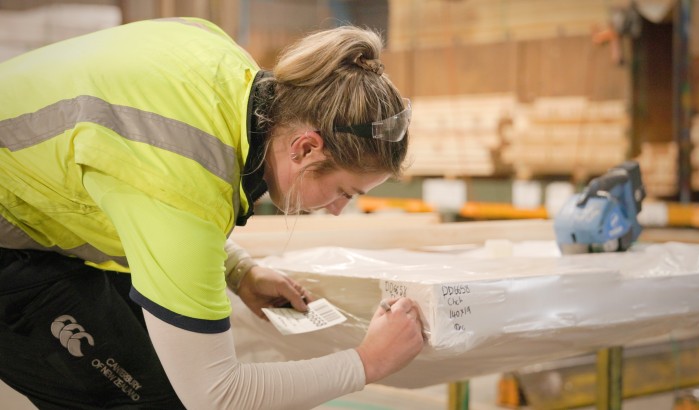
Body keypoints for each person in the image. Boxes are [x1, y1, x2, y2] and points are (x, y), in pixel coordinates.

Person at [0, 17, 424, 409]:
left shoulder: (227, 66)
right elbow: (216, 396)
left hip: (27, 193)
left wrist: (239, 270)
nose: (336, 211)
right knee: (156, 399)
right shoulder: (182, 191)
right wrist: (370, 362)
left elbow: (155, 181)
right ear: (306, 148)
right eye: (342, 191)